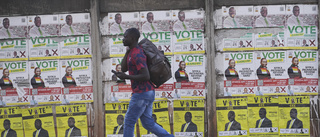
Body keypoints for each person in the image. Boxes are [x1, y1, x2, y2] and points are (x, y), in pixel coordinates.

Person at [112, 28, 173, 137]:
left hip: (142, 93)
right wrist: (127, 52)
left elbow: (146, 76)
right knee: (147, 123)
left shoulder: (137, 54)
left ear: (132, 38)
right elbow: (124, 68)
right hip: (147, 92)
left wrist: (126, 77)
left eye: (125, 37)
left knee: (129, 121)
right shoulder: (132, 52)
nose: (123, 39)